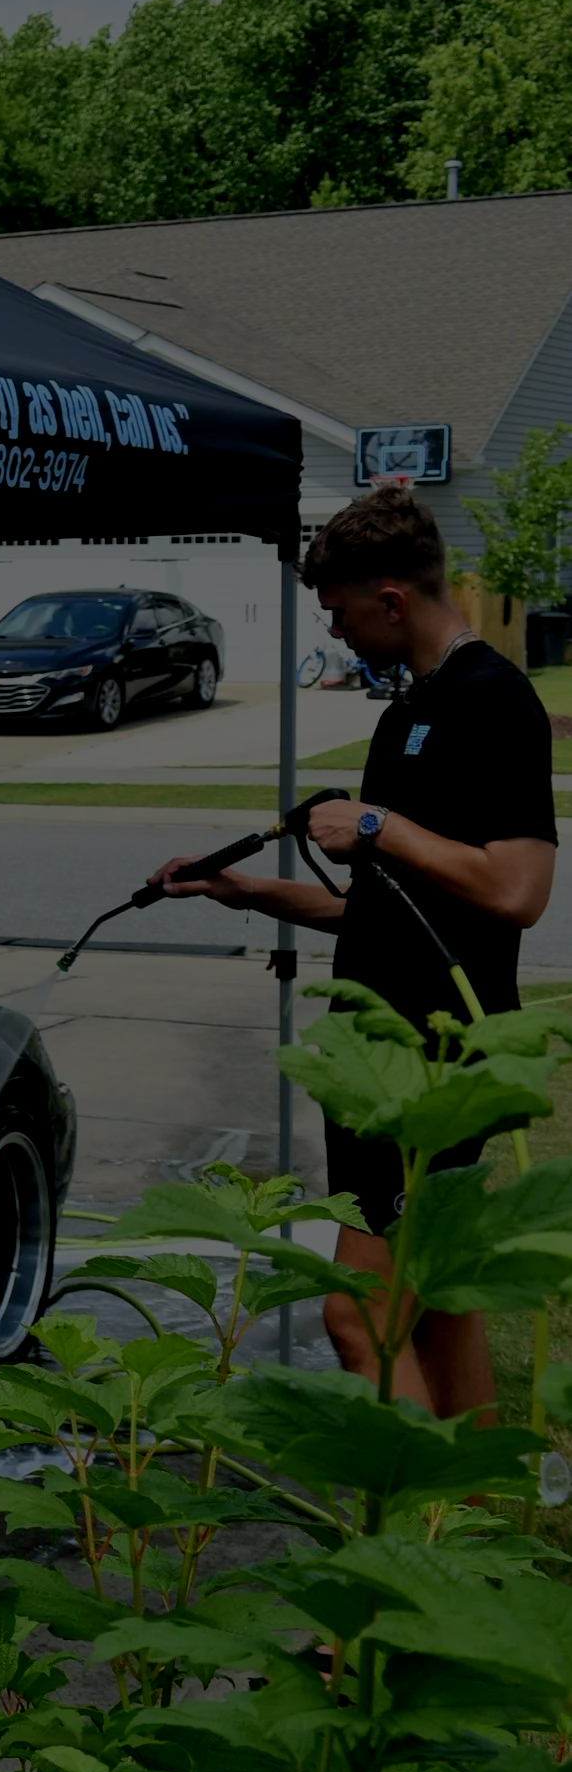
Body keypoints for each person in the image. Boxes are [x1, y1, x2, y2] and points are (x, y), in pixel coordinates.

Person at [154, 483, 557, 1417]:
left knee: (355, 1319)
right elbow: (383, 910)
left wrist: (378, 822)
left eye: (338, 613)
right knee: (441, 1308)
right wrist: (245, 888)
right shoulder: (406, 712)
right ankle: (473, 1526)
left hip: (434, 1066)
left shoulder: (496, 702)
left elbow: (517, 891)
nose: (334, 633)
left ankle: (410, 1524)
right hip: (375, 1066)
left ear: (391, 599)